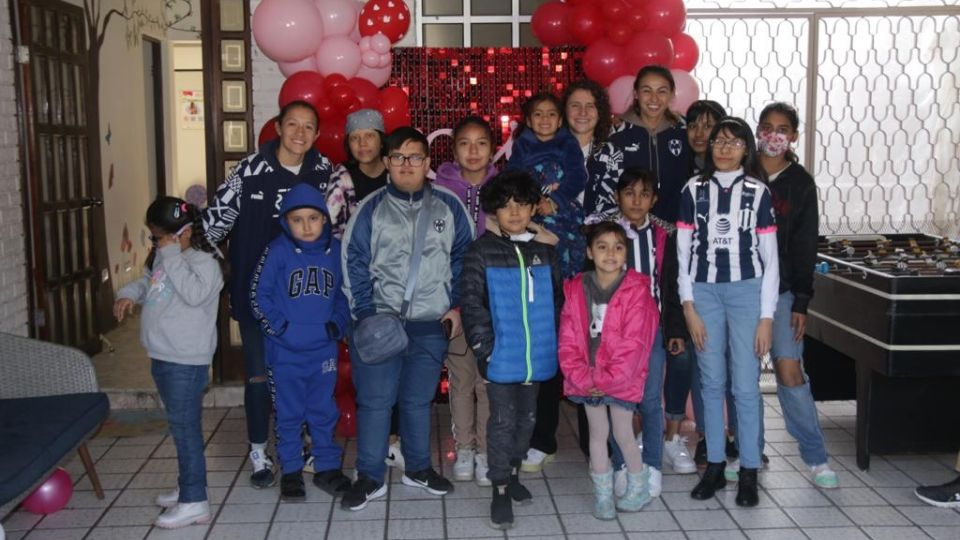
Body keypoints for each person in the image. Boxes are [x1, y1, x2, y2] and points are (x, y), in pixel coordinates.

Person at [341, 126, 474, 511]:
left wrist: (455, 308)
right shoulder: (371, 209)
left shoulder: (448, 207)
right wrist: (365, 315)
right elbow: (354, 261)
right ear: (386, 163)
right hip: (380, 320)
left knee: (417, 401)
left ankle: (417, 468)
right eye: (397, 157)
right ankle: (368, 476)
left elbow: (464, 258)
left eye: (414, 156)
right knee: (375, 401)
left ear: (427, 162)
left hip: (431, 323)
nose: (406, 164)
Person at [203, 100, 333, 488]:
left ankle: (306, 446)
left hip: (309, 300)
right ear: (277, 127)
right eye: (292, 124)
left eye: (308, 127)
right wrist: (215, 273)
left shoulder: (323, 171)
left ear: (317, 134)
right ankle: (259, 451)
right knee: (259, 377)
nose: (299, 133)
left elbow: (336, 229)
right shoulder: (249, 170)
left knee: (305, 376)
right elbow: (212, 225)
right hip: (256, 298)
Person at [677, 116, 779, 507]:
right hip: (703, 294)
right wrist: (689, 307)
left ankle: (748, 470)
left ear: (746, 150)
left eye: (734, 142)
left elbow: (770, 261)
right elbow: (683, 256)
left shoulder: (758, 192)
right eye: (719, 140)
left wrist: (766, 316)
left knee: (745, 386)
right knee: (711, 383)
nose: (724, 147)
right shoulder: (692, 189)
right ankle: (716, 466)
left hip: (746, 293)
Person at [459, 170, 563, 530]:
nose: (514, 212)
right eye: (505, 206)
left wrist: (555, 343)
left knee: (527, 421)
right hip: (500, 358)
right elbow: (471, 304)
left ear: (534, 207)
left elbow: (558, 302)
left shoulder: (545, 252)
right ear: (493, 212)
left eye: (521, 205)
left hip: (538, 358)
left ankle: (514, 472)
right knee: (502, 422)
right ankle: (500, 487)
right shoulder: (481, 251)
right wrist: (485, 349)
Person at [114, 197, 224, 528]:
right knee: (179, 427)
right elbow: (151, 283)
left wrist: (171, 253)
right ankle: (188, 486)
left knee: (186, 428)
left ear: (185, 233)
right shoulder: (166, 255)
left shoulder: (206, 263)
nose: (156, 243)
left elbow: (193, 294)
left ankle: (195, 502)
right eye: (154, 238)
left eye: (160, 237)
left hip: (185, 361)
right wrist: (129, 293)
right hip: (162, 355)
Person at [598, 168, 698, 497]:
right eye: (629, 193)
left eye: (644, 194)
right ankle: (621, 466)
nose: (636, 200)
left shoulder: (664, 235)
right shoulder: (604, 234)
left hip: (652, 328)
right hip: (614, 331)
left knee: (651, 399)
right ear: (617, 197)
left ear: (654, 199)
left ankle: (652, 465)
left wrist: (674, 329)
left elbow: (670, 286)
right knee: (617, 399)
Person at [249, 183, 353, 501]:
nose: (306, 226)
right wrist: (281, 329)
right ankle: (292, 470)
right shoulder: (277, 250)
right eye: (297, 219)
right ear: (286, 222)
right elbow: (258, 295)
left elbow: (344, 295)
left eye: (313, 218)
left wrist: (336, 325)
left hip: (322, 349)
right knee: (289, 413)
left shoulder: (336, 251)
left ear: (324, 219)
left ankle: (326, 467)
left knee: (323, 411)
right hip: (285, 353)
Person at [757, 102, 839, 489]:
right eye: (767, 127)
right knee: (740, 376)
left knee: (789, 371)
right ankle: (749, 452)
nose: (774, 135)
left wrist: (802, 300)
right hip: (740, 291)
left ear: (793, 136)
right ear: (757, 130)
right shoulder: (741, 170)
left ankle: (816, 457)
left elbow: (806, 244)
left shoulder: (801, 183)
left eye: (783, 129)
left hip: (785, 292)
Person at [506, 91, 587, 473]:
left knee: (562, 341)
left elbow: (577, 177)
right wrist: (529, 203)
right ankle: (524, 433)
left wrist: (558, 200)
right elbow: (511, 184)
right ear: (527, 119)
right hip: (528, 239)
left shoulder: (569, 145)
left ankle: (546, 437)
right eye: (537, 115)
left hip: (564, 236)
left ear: (560, 119)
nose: (544, 121)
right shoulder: (519, 146)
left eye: (551, 115)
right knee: (531, 346)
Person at [559, 221, 659, 520]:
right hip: (587, 380)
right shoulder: (577, 288)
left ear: (626, 253)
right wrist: (583, 377)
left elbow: (634, 344)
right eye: (602, 247)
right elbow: (567, 337)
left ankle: (638, 486)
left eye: (618, 247)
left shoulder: (635, 290)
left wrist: (605, 379)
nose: (610, 254)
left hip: (620, 380)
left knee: (623, 432)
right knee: (597, 435)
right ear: (590, 251)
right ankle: (602, 495)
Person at [434, 116, 498, 485]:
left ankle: (488, 452)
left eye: (481, 144)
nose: (473, 151)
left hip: (493, 302)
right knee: (460, 379)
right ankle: (466, 448)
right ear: (454, 150)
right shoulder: (441, 191)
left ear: (492, 150)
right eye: (464, 143)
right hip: (455, 302)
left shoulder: (503, 188)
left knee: (488, 381)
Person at [684, 100, 741, 466]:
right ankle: (708, 436)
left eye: (710, 126)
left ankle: (739, 434)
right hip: (695, 282)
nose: (702, 134)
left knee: (737, 364)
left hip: (737, 284)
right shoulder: (683, 176)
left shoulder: (741, 177)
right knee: (701, 363)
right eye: (694, 126)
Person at [589, 65, 691, 224]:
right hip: (626, 232)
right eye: (647, 90)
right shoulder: (616, 132)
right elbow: (600, 187)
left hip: (675, 229)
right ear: (636, 93)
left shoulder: (685, 130)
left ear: (672, 94)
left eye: (662, 91)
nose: (654, 99)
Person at [326, 109, 388, 239]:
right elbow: (330, 228)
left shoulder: (396, 173)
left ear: (382, 142)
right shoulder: (341, 180)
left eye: (369, 136)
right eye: (355, 138)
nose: (362, 143)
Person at [562, 79, 612, 208]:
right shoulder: (548, 150)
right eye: (575, 105)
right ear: (564, 110)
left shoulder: (611, 153)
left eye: (590, 106)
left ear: (600, 112)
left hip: (598, 227)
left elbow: (613, 204)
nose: (583, 112)